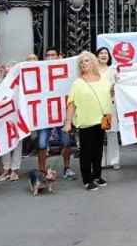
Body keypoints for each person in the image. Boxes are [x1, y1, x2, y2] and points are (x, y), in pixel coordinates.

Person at [64, 51, 112, 191]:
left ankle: (97, 175)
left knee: (98, 150)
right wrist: (68, 122)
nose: (83, 63)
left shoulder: (103, 80)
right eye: (81, 62)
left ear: (93, 62)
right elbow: (71, 103)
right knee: (86, 151)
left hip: (103, 120)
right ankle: (87, 179)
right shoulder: (77, 83)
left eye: (86, 60)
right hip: (86, 122)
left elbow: (111, 95)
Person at [37, 48, 75, 180]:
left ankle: (67, 167)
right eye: (47, 55)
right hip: (44, 113)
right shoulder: (40, 72)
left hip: (61, 112)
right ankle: (41, 170)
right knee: (42, 143)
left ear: (60, 56)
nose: (50, 57)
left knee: (66, 142)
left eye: (53, 55)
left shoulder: (67, 71)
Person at [94, 47, 121, 171]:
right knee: (98, 133)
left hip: (111, 104)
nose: (103, 55)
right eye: (101, 53)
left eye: (106, 53)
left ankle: (114, 160)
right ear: (97, 56)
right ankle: (100, 160)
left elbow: (119, 84)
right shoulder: (93, 71)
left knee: (112, 132)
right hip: (96, 105)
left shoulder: (113, 69)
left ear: (109, 56)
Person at [0, 61, 23, 183]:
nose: (10, 69)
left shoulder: (21, 83)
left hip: (17, 117)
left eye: (12, 67)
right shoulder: (0, 83)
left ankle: (15, 169)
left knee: (17, 142)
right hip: (3, 117)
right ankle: (6, 169)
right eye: (8, 66)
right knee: (4, 143)